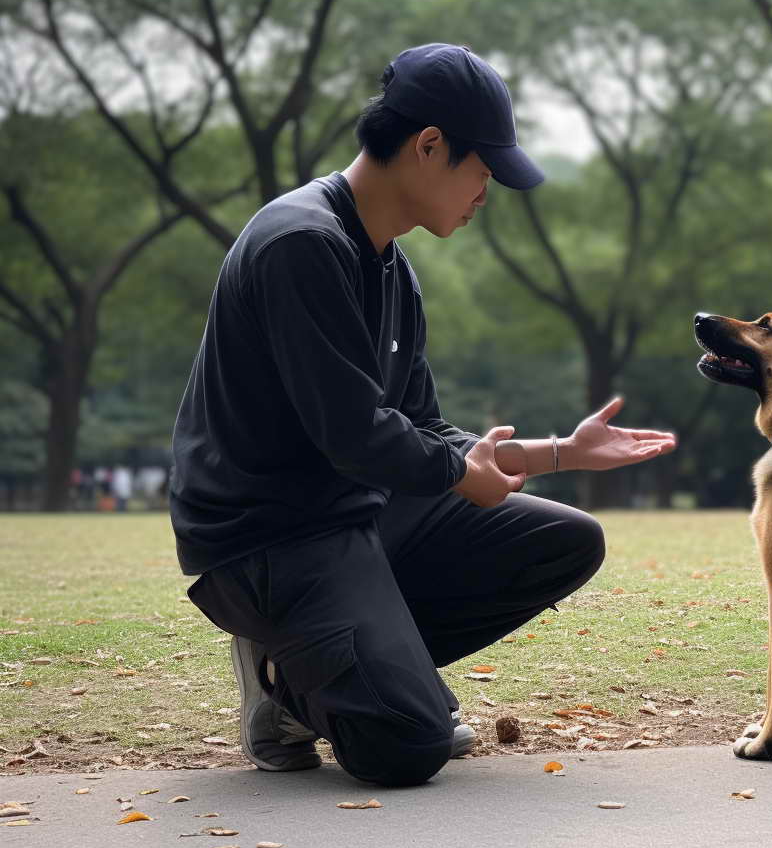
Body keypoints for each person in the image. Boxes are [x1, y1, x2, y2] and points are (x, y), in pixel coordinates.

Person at [169, 44, 675, 787]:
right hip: (266, 537)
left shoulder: (389, 264)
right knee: (407, 746)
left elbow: (420, 424)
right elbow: (354, 434)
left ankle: (332, 668)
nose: (485, 191)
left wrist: (556, 452)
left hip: (353, 513)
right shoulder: (301, 244)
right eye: (483, 171)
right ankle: (290, 671)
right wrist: (451, 472)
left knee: (565, 541)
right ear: (429, 146)